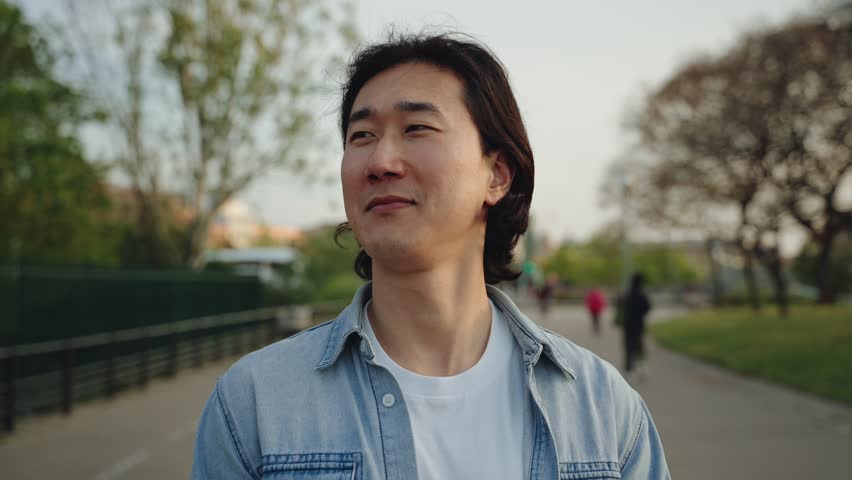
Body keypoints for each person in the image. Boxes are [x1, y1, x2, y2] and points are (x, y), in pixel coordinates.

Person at [192, 33, 669, 480]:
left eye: (417, 127)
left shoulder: (603, 410)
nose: (380, 162)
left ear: (497, 176)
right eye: (362, 136)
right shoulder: (254, 405)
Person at [623, 273, 652, 376]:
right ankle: (642, 368)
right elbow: (648, 307)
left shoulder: (627, 294)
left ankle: (629, 369)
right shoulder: (642, 294)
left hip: (628, 325)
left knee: (628, 347)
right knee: (639, 346)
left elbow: (620, 305)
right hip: (639, 325)